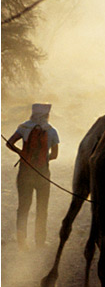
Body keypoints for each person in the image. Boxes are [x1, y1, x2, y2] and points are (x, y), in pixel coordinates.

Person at [6, 103, 59, 250]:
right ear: (46, 115)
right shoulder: (52, 131)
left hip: (24, 172)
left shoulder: (24, 127)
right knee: (42, 208)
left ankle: (22, 240)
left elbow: (9, 143)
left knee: (23, 207)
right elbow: (54, 155)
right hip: (42, 173)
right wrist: (43, 159)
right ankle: (40, 242)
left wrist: (21, 152)